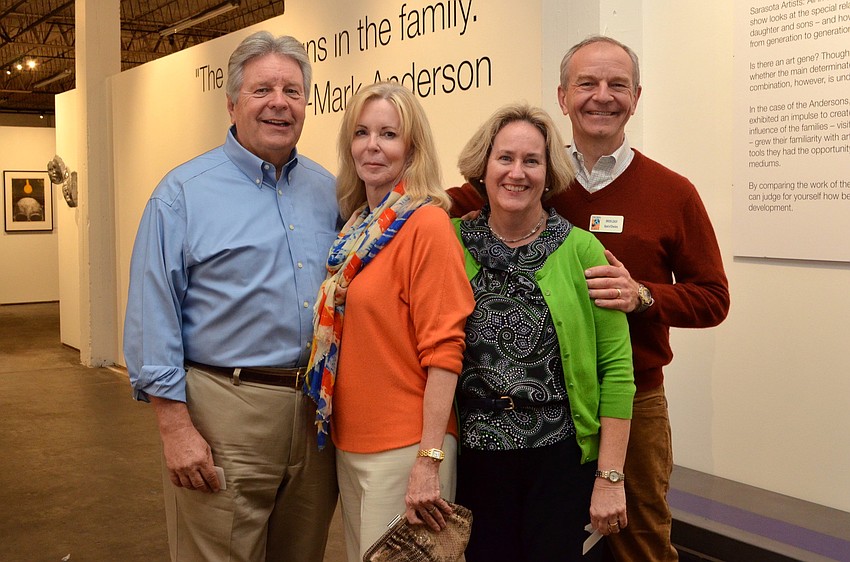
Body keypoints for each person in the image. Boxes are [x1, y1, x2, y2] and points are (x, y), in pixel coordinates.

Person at [449, 36, 731, 561]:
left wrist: (643, 295)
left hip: (633, 398)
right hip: (548, 411)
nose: (602, 96)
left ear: (637, 96)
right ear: (562, 96)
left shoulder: (674, 192)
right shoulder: (539, 176)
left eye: (617, 84)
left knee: (639, 540)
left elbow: (714, 298)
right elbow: (442, 204)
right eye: (587, 83)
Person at [123, 31, 339, 562]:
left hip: (317, 413)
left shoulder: (329, 190)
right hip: (224, 412)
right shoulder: (183, 193)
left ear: (307, 105)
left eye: (292, 91)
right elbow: (153, 315)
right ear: (232, 101)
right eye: (263, 89)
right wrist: (175, 428)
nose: (279, 103)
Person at [451, 103, 635, 561]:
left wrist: (610, 478)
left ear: (549, 173)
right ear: (483, 166)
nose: (518, 173)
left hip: (560, 459)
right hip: (474, 460)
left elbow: (616, 370)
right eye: (505, 158)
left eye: (531, 161)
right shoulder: (450, 243)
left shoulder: (580, 249)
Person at [304, 81, 475, 562]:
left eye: (388, 134)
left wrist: (429, 460)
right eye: (361, 133)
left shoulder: (426, 224)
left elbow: (445, 351)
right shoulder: (359, 224)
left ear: (412, 148)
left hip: (406, 449)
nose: (372, 146)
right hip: (351, 442)